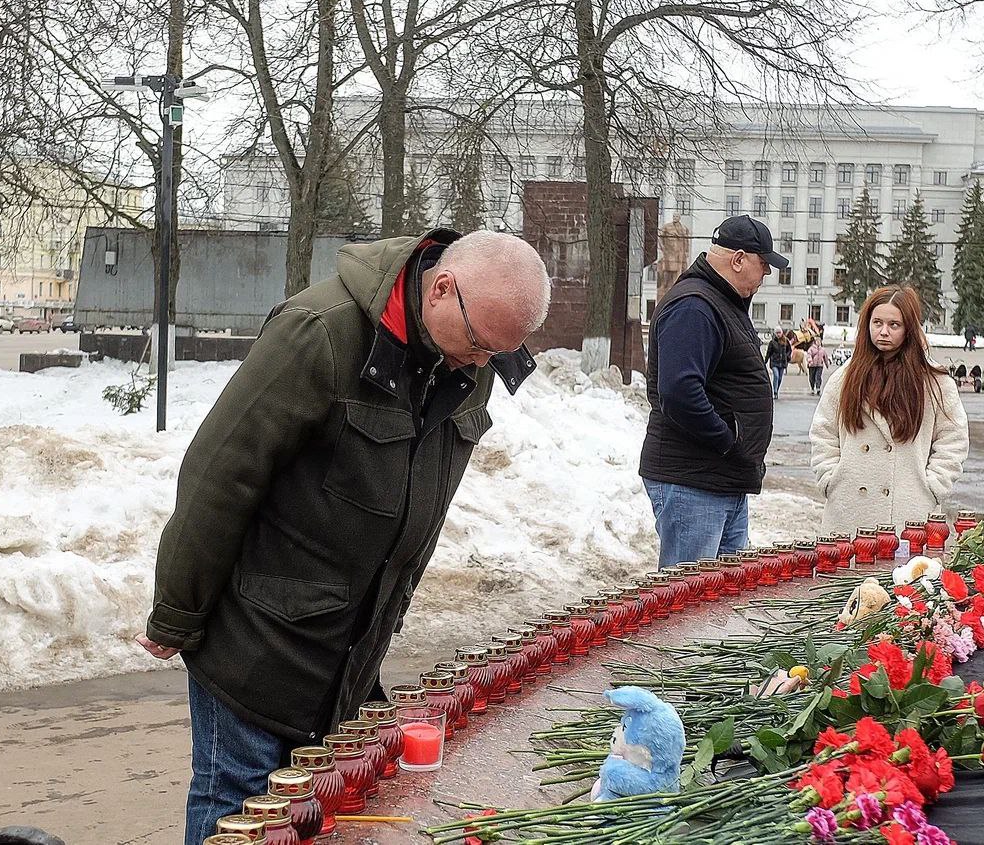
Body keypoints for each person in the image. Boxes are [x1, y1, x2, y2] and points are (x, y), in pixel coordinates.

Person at [135, 229, 551, 844]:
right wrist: (177, 610)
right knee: (242, 806)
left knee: (317, 817)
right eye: (478, 344)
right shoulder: (320, 333)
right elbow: (220, 473)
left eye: (498, 353)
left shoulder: (465, 362)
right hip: (260, 640)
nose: (483, 363)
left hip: (350, 649)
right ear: (441, 288)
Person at [640, 214, 783, 568]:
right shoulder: (695, 307)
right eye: (763, 265)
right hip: (694, 482)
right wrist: (729, 441)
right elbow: (679, 393)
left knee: (721, 600)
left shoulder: (721, 303)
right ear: (738, 260)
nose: (765, 275)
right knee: (686, 605)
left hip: (720, 480)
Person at [809, 285, 969, 534]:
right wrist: (830, 479)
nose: (883, 332)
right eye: (877, 323)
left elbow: (953, 439)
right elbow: (824, 433)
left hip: (908, 513)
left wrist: (934, 487)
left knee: (902, 574)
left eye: (894, 325)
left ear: (909, 329)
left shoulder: (934, 382)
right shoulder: (845, 378)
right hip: (848, 510)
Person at [765, 328, 791, 398]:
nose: (778, 334)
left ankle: (777, 390)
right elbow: (769, 352)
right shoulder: (772, 342)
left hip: (782, 362)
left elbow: (789, 350)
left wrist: (787, 357)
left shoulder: (786, 341)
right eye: (777, 333)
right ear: (775, 334)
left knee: (780, 378)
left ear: (782, 333)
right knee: (776, 376)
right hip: (774, 362)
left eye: (779, 333)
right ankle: (775, 391)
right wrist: (765, 361)